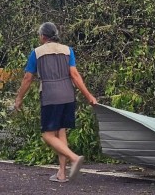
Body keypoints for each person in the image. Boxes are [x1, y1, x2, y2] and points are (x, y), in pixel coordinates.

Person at [13, 22, 97, 183]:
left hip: (51, 96)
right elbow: (75, 75)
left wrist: (19, 98)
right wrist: (89, 96)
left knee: (48, 135)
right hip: (68, 95)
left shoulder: (36, 53)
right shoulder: (67, 50)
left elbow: (28, 78)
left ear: (43, 37)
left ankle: (74, 157)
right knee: (61, 131)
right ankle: (61, 173)